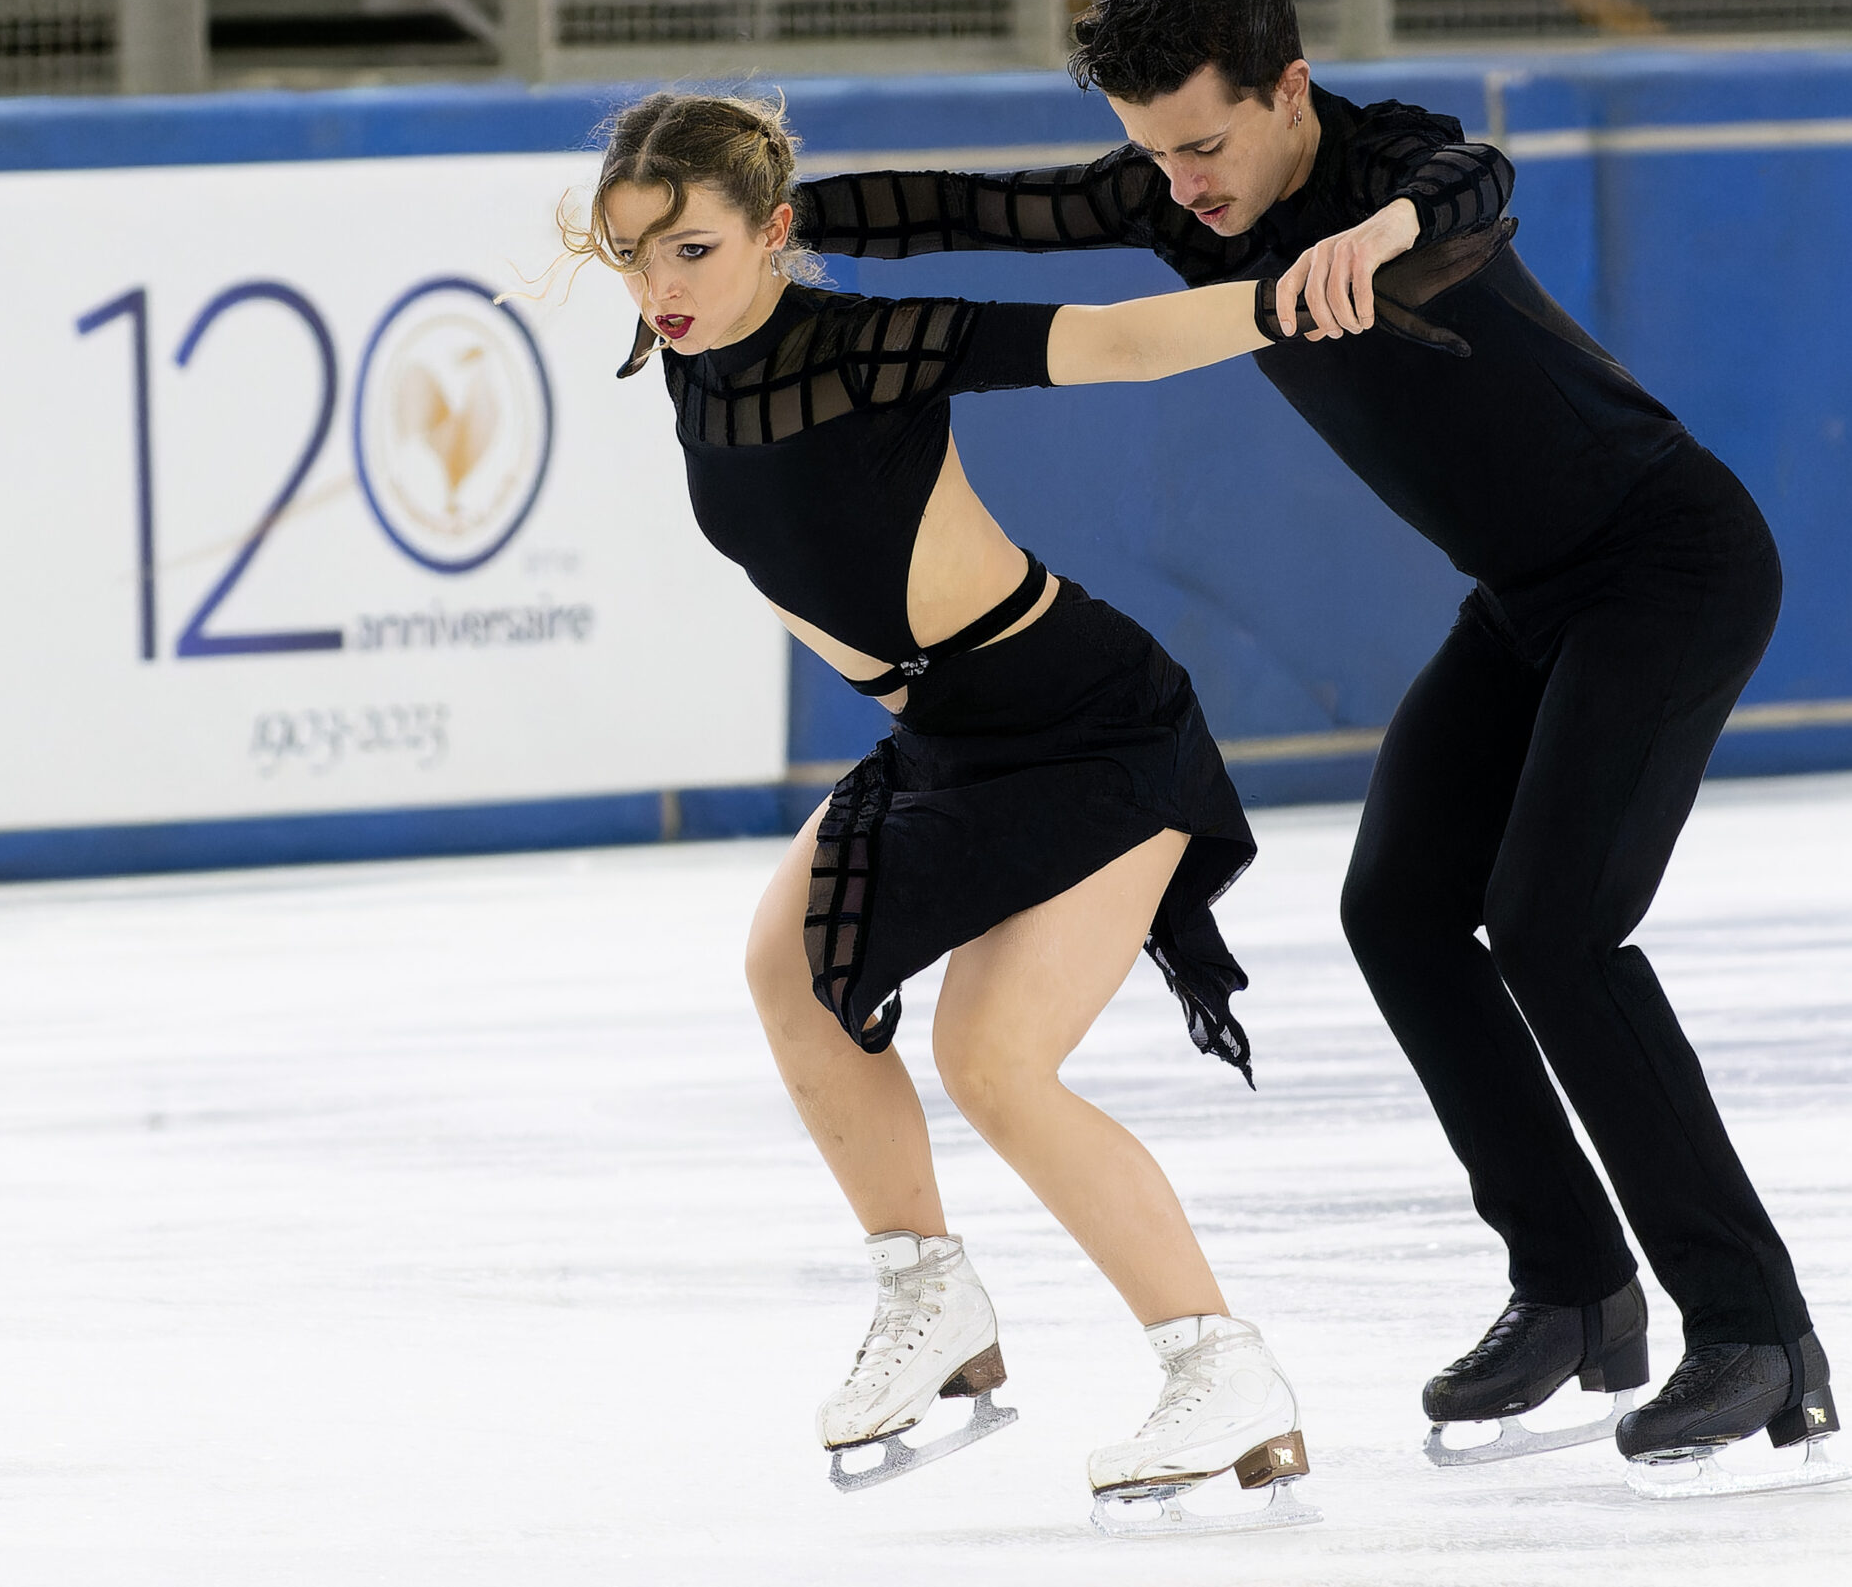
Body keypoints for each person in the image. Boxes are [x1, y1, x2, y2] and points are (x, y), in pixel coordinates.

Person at [795, 0, 1844, 1496]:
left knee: (1554, 927)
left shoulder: (1386, 160)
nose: (1185, 186)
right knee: (1399, 910)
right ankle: (1575, 1289)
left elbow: (1474, 181)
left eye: (1206, 144)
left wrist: (1385, 231)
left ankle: (1761, 1335)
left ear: (1289, 88)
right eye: (1155, 153)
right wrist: (771, 217)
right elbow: (980, 207)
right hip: (1526, 598)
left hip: (1666, 564)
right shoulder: (1178, 199)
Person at [563, 90, 1336, 1532]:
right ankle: (931, 1295)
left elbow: (1113, 344)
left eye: (691, 249)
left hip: (1089, 725)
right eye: (634, 255)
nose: (661, 286)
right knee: (790, 968)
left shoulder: (866, 345)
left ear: (774, 233)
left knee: (994, 1058)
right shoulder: (686, 364)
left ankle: (1224, 1371)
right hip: (949, 732)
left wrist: (1285, 302)